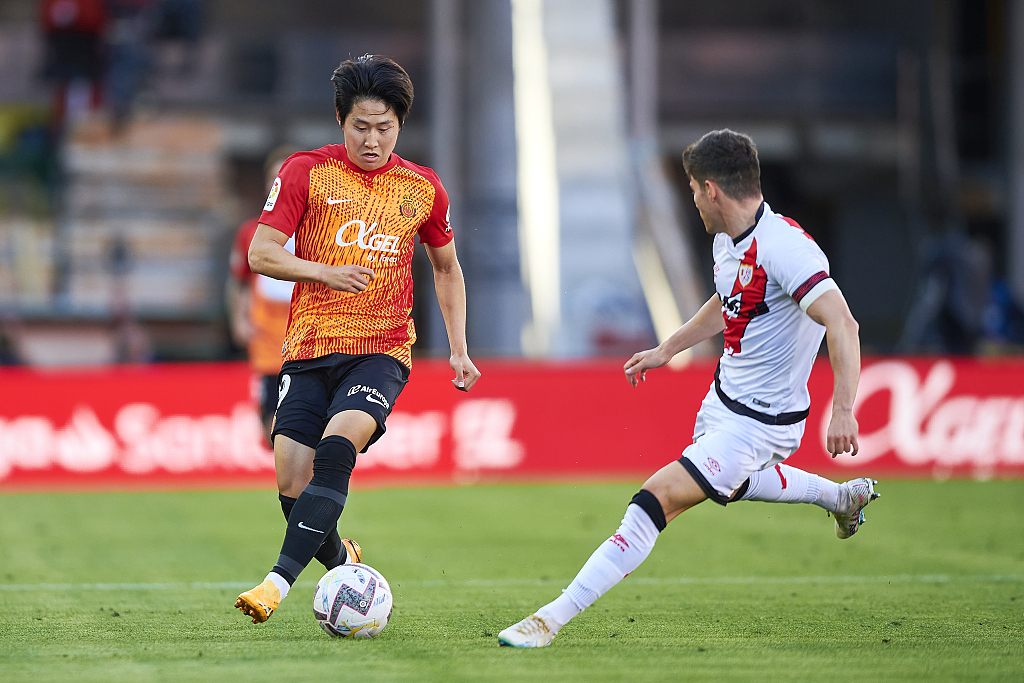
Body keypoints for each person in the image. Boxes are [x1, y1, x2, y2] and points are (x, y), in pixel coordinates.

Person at [498, 129, 878, 648]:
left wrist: (844, 408)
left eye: (693, 190)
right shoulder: (728, 241)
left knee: (656, 499)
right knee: (735, 484)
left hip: (763, 424)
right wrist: (667, 349)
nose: (692, 200)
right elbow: (726, 303)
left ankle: (549, 620)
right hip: (723, 402)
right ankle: (839, 499)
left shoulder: (788, 250)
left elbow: (843, 323)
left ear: (711, 189)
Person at [235, 54, 481, 623]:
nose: (372, 141)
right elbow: (260, 252)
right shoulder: (305, 172)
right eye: (360, 127)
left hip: (382, 350)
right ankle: (342, 557)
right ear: (340, 122)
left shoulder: (422, 190)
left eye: (384, 128)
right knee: (291, 489)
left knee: (337, 447)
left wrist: (459, 348)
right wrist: (324, 271)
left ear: (401, 125)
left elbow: (446, 268)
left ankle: (275, 584)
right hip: (307, 347)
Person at [227, 146, 298, 444]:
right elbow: (238, 281)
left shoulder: (317, 228)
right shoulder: (250, 232)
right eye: (274, 176)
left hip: (308, 333)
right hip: (267, 335)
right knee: (270, 417)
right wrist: (238, 320)